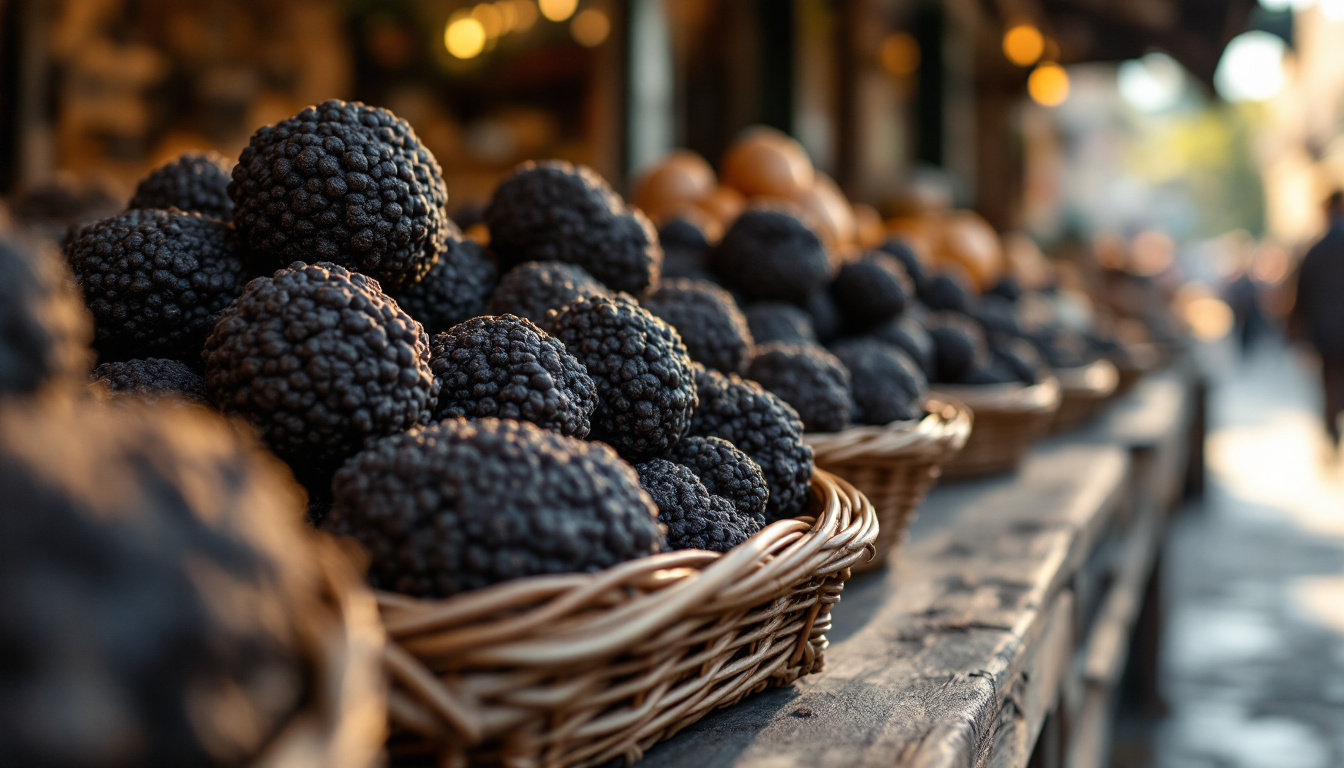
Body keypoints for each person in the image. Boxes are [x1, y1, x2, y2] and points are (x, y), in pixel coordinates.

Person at [1292, 190, 1344, 448]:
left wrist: (1299, 336)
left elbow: (1301, 295)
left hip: (1325, 332)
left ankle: (1332, 431)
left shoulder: (1316, 249)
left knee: (1330, 384)